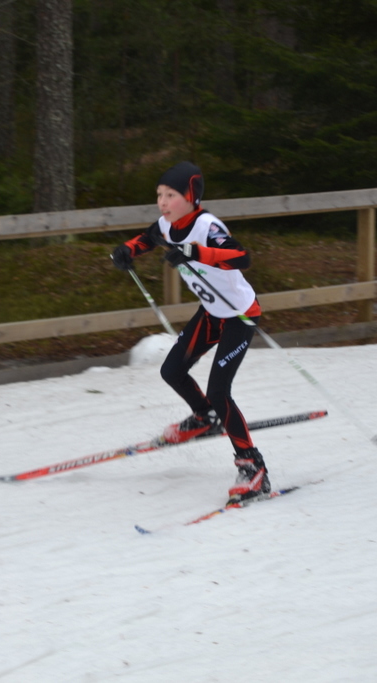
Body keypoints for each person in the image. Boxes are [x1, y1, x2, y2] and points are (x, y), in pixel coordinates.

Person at [110, 161, 269, 502]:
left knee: (219, 391)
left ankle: (253, 468)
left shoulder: (207, 226)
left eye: (171, 195)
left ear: (191, 197)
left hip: (239, 317)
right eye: (159, 195)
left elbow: (241, 257)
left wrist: (195, 252)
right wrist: (127, 250)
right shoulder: (167, 225)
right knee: (172, 371)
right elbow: (148, 238)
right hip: (211, 314)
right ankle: (205, 417)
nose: (162, 202)